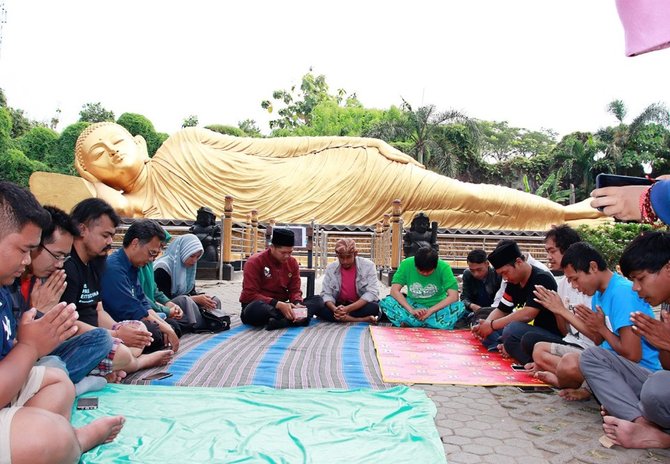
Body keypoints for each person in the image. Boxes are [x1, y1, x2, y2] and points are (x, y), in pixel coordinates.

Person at [29, 122, 601, 230]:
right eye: (98, 155)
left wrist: (352, 140)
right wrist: (99, 192)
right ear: (90, 170)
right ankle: (567, 215)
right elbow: (75, 200)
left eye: (116, 142)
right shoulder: (134, 212)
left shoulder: (186, 141)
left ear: (140, 142)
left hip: (337, 172)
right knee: (456, 211)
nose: (112, 153)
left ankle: (568, 213)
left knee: (465, 196)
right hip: (321, 215)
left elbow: (275, 146)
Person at [0, 181, 124, 464]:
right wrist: (31, 345)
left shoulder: (4, 289)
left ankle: (45, 430)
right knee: (47, 435)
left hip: (12, 382)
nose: (26, 260)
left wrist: (33, 336)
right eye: (23, 250)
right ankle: (73, 440)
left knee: (59, 381)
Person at [7, 206, 113, 393]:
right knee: (54, 365)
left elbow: (60, 332)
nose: (59, 265)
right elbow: (15, 344)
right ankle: (66, 385)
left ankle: (59, 383)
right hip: (16, 362)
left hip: (34, 355)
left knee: (101, 339)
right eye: (57, 256)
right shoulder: (9, 279)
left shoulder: (45, 278)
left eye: (65, 258)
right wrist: (38, 312)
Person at [580, 231, 670, 449]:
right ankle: (641, 423)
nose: (636, 289)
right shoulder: (667, 304)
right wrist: (664, 345)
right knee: (591, 357)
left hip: (656, 386)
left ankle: (663, 438)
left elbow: (633, 354)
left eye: (640, 279)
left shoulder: (619, 293)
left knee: (655, 389)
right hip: (655, 382)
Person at [62, 198, 173, 372]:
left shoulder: (95, 264)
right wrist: (116, 335)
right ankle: (137, 362)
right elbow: (66, 325)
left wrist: (118, 328)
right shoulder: (68, 267)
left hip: (100, 334)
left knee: (140, 329)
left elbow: (98, 311)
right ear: (82, 229)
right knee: (120, 346)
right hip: (79, 338)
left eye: (111, 236)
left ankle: (115, 364)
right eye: (105, 235)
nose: (109, 242)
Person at [554, 242, 661, 399]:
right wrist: (595, 327)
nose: (575, 286)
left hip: (642, 371)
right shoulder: (598, 294)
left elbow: (633, 355)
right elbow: (599, 340)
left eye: (575, 279)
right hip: (611, 362)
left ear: (593, 267)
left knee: (574, 362)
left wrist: (601, 328)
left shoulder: (622, 293)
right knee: (563, 359)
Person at [528, 226, 596, 394]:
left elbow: (597, 337)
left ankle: (566, 380)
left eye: (552, 251)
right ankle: (566, 376)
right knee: (538, 349)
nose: (549, 257)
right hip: (574, 346)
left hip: (592, 352)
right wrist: (557, 310)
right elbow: (565, 332)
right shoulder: (563, 285)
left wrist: (562, 310)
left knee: (569, 364)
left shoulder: (592, 287)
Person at [471, 240, 560, 363]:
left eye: (505, 273)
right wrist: (486, 325)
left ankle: (513, 349)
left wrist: (492, 325)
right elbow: (502, 309)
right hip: (527, 330)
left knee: (512, 329)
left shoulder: (541, 278)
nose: (505, 278)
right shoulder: (513, 281)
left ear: (518, 262)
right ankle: (507, 347)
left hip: (547, 334)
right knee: (483, 320)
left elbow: (528, 314)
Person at [101, 219, 183, 348]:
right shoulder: (114, 268)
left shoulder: (133, 267)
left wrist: (166, 326)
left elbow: (143, 301)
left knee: (172, 326)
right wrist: (164, 327)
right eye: (151, 253)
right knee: (154, 333)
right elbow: (132, 309)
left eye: (155, 255)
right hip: (117, 323)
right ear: (135, 243)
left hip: (134, 316)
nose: (151, 260)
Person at [239, 228, 323, 330]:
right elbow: (249, 294)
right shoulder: (254, 262)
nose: (287, 256)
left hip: (284, 306)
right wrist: (277, 304)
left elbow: (295, 290)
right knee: (255, 309)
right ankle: (295, 319)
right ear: (272, 247)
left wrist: (297, 304)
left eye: (290, 252)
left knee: (318, 300)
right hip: (263, 305)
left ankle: (284, 320)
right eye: (283, 252)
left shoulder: (292, 263)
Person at [379, 246, 465, 329]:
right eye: (421, 271)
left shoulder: (444, 267)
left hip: (437, 308)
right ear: (415, 265)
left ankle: (412, 322)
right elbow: (394, 291)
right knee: (387, 302)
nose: (425, 274)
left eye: (429, 271)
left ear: (435, 266)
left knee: (460, 307)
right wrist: (411, 310)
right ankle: (431, 323)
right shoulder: (406, 264)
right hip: (412, 305)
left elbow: (454, 297)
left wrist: (430, 311)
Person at [154, 233, 223, 328]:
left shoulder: (188, 266)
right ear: (183, 252)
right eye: (192, 256)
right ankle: (199, 325)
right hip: (167, 305)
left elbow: (191, 291)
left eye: (197, 257)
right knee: (185, 300)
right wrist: (195, 299)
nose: (194, 260)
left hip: (184, 302)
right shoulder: (163, 268)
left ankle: (213, 320)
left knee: (213, 300)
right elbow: (163, 298)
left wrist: (202, 298)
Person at [314, 238, 380, 323]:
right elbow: (326, 294)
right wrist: (335, 309)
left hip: (358, 306)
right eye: (341, 257)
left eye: (348, 257)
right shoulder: (331, 268)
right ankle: (359, 319)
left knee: (374, 307)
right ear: (337, 256)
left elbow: (372, 293)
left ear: (355, 254)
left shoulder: (368, 266)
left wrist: (347, 309)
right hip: (338, 305)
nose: (345, 261)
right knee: (317, 305)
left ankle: (343, 318)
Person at [460, 249, 502, 321]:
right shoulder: (467, 274)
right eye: (472, 270)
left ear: (487, 264)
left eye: (479, 270)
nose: (476, 274)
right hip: (473, 311)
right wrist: (472, 306)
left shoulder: (498, 274)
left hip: (494, 311)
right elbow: (464, 297)